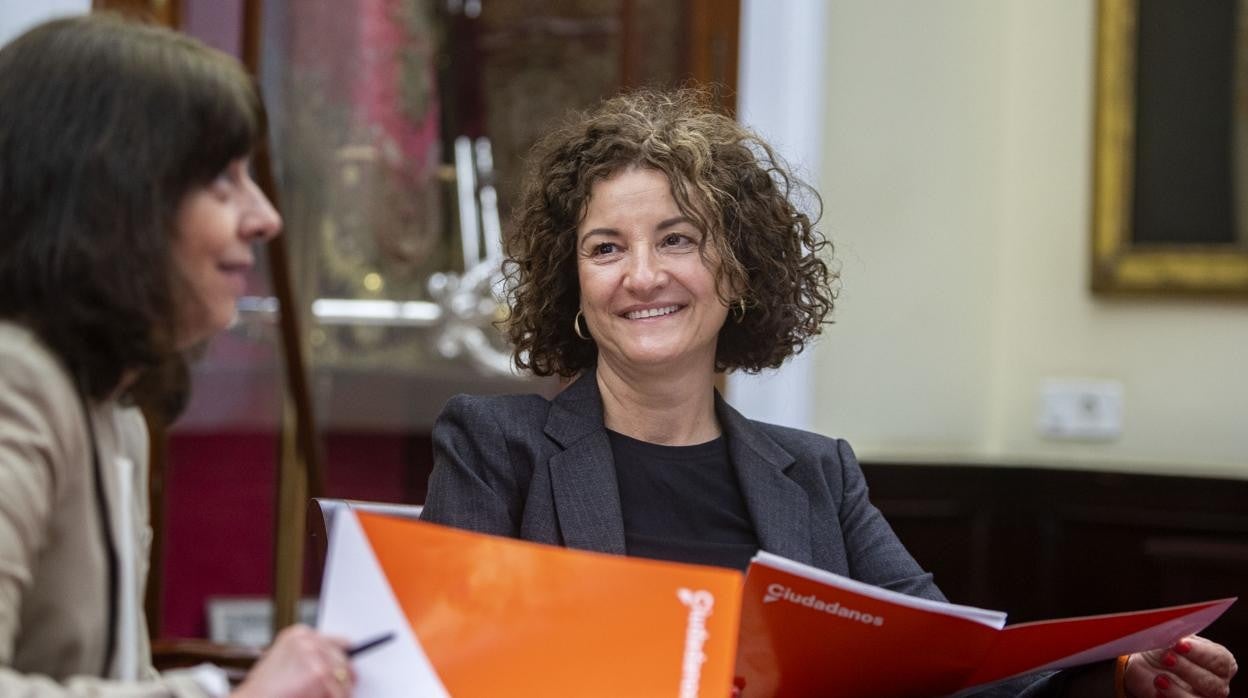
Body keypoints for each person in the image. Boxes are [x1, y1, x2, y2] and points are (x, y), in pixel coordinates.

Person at [420, 88, 1238, 697]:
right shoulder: (497, 447)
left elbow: (953, 665)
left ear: (739, 272)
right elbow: (448, 667)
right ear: (573, 281)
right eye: (606, 248)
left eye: (678, 239)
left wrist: (1124, 678)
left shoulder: (818, 474)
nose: (642, 276)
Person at [0, 15, 355, 697]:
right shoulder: (18, 381)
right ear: (114, 201)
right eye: (223, 181)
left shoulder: (114, 409)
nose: (265, 217)